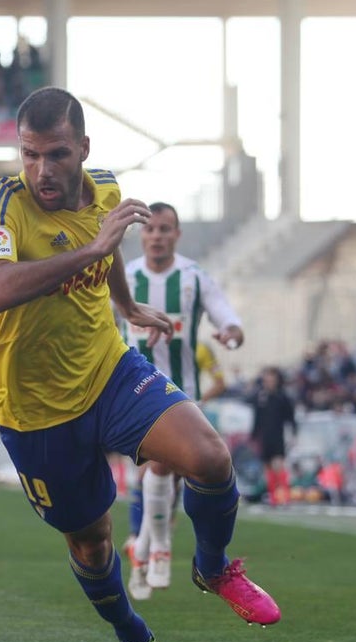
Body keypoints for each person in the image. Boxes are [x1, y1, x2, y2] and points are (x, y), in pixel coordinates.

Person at [0, 87, 280, 642]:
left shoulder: (106, 189)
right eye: (30, 154)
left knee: (210, 457)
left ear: (83, 149)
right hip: (34, 411)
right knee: (92, 543)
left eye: (56, 154)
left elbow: (106, 253)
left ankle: (212, 568)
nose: (41, 170)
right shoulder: (0, 204)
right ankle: (137, 641)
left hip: (109, 371)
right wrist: (93, 247)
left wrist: (128, 305)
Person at [122, 201, 246, 599]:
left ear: (177, 234)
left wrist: (231, 331)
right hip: (133, 390)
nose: (157, 236)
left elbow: (224, 313)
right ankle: (158, 548)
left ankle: (142, 551)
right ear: (142, 235)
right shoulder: (126, 277)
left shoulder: (193, 277)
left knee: (167, 474)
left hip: (182, 390)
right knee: (160, 467)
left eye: (165, 229)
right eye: (150, 229)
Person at [249, 367, 298, 507]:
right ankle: (274, 498)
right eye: (266, 380)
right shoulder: (261, 397)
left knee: (278, 466)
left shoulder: (282, 397)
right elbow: (257, 418)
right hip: (265, 438)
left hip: (278, 436)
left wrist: (294, 433)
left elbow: (291, 417)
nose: (268, 382)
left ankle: (285, 497)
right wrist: (253, 436)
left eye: (271, 379)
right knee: (267, 468)